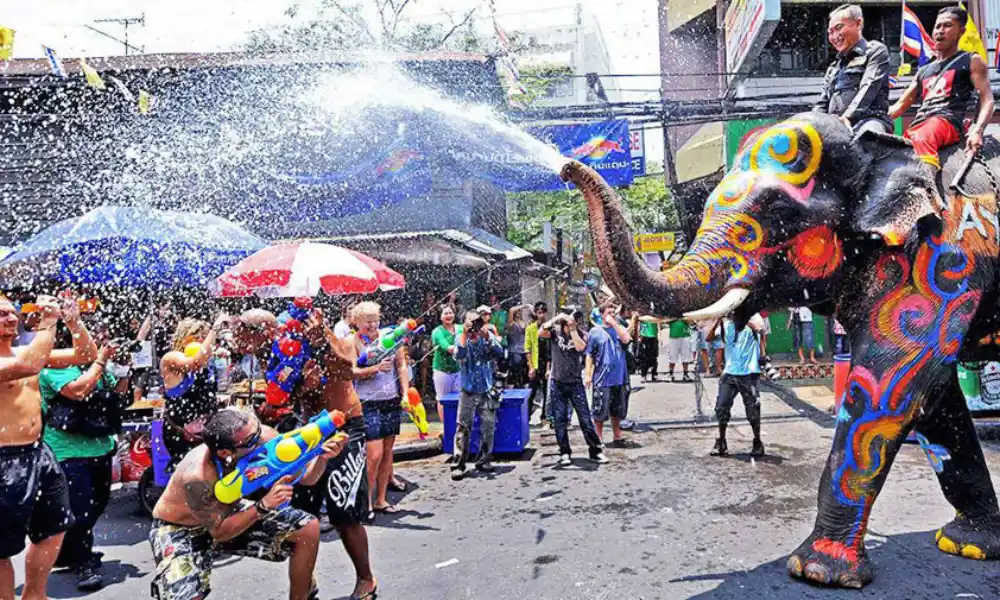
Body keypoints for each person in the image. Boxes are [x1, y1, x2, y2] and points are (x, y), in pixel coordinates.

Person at [149, 408, 347, 600]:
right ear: (225, 452)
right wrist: (262, 506)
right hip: (182, 527)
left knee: (306, 528)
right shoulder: (197, 476)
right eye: (252, 440)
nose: (261, 439)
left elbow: (308, 478)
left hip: (230, 513)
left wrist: (322, 457)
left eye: (258, 429)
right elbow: (219, 532)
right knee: (185, 596)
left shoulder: (263, 437)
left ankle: (302, 593)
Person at [0, 294, 96, 600]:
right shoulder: (25, 358)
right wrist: (49, 322)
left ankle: (34, 595)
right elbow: (30, 364)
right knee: (1, 549)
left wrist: (74, 323)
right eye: (1, 314)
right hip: (3, 460)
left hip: (38, 453)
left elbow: (85, 354)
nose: (11, 318)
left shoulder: (24, 351)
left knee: (54, 528)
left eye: (11, 312)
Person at [287, 304, 378, 600]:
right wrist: (303, 385)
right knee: (302, 513)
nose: (307, 326)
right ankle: (305, 581)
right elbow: (288, 391)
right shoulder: (289, 345)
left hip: (346, 426)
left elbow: (348, 369)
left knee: (343, 510)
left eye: (312, 321)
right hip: (310, 430)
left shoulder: (337, 339)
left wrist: (323, 341)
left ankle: (366, 578)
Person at [40, 324, 127, 591]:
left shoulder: (92, 364)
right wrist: (100, 361)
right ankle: (83, 562)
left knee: (99, 503)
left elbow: (117, 393)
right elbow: (78, 390)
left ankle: (70, 551)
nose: (99, 342)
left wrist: (124, 368)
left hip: (99, 446)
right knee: (81, 509)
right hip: (67, 451)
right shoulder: (53, 365)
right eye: (94, 337)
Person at [889, 6, 995, 171]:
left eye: (947, 26)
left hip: (948, 122)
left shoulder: (971, 60)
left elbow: (987, 99)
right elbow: (900, 105)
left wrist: (978, 131)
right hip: (920, 125)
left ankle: (926, 186)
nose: (940, 31)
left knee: (923, 138)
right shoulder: (924, 70)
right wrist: (867, 120)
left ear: (961, 31)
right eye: (937, 26)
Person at [351, 301, 408, 515]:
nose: (373, 325)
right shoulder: (353, 341)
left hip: (391, 399)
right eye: (368, 321)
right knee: (374, 454)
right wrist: (374, 368)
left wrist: (405, 393)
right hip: (367, 402)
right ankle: (365, 501)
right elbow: (352, 371)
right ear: (357, 322)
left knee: (387, 453)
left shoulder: (390, 337)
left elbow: (401, 365)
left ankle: (381, 499)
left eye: (375, 320)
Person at [540, 309, 608, 466]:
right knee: (560, 419)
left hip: (575, 383)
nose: (575, 322)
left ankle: (595, 451)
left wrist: (573, 330)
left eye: (577, 320)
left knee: (585, 418)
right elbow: (540, 333)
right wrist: (556, 318)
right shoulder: (555, 332)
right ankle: (564, 451)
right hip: (557, 382)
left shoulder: (582, 334)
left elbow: (580, 348)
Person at [160, 314, 229, 468]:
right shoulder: (171, 358)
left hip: (204, 430)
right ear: (186, 337)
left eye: (205, 337)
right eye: (201, 337)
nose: (205, 342)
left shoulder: (207, 360)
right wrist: (215, 329)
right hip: (181, 432)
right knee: (191, 473)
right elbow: (195, 363)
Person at [814, 4, 892, 134]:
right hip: (835, 126)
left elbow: (869, 86)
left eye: (839, 28)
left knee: (867, 136)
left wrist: (848, 117)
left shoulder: (875, 51)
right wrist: (811, 122)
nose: (834, 36)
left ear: (858, 23)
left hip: (870, 120)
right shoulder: (833, 67)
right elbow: (822, 104)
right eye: (830, 32)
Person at [451, 311, 505, 479]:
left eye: (476, 321)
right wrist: (464, 335)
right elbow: (459, 355)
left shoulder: (486, 336)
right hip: (468, 390)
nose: (474, 325)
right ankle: (458, 464)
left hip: (487, 389)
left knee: (488, 427)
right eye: (470, 322)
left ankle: (484, 460)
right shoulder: (460, 338)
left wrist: (487, 336)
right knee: (463, 427)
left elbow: (499, 352)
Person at [707, 314, 766, 458]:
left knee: (753, 409)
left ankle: (757, 442)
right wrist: (717, 320)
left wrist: (744, 319)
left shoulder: (754, 317)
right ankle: (721, 441)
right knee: (721, 407)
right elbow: (709, 338)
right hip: (729, 373)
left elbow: (760, 330)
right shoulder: (726, 324)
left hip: (749, 372)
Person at [584, 302, 632, 446]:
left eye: (613, 313)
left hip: (619, 377)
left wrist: (615, 324)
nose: (612, 315)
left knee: (617, 410)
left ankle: (617, 435)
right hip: (602, 378)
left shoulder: (619, 329)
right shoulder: (595, 332)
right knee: (599, 410)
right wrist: (588, 374)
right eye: (609, 313)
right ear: (602, 315)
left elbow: (626, 339)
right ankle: (598, 438)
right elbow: (589, 354)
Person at [430, 305, 461, 425]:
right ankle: (446, 427)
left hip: (458, 369)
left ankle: (458, 425)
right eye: (445, 313)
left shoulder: (460, 328)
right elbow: (445, 346)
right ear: (440, 317)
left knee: (459, 398)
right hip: (442, 370)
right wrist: (460, 349)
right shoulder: (437, 332)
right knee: (442, 399)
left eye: (450, 313)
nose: (448, 315)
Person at [524, 302, 551, 422]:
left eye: (543, 313)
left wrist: (549, 368)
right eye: (539, 313)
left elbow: (550, 350)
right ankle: (526, 416)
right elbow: (527, 348)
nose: (541, 315)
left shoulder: (550, 327)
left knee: (547, 392)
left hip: (547, 363)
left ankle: (545, 417)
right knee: (532, 391)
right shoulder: (530, 328)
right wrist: (530, 366)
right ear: (536, 313)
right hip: (535, 363)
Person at [505, 305, 530, 388]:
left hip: (524, 352)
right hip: (515, 353)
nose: (520, 312)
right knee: (513, 375)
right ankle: (510, 392)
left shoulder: (524, 322)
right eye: (518, 311)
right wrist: (524, 305)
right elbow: (511, 309)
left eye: (520, 311)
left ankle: (526, 393)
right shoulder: (511, 323)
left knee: (526, 376)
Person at [635, 316, 661, 382]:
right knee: (644, 358)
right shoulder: (642, 315)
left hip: (653, 336)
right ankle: (643, 376)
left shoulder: (655, 314)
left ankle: (654, 375)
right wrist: (639, 336)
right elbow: (638, 324)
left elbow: (658, 324)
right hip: (644, 336)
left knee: (654, 357)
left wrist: (659, 337)